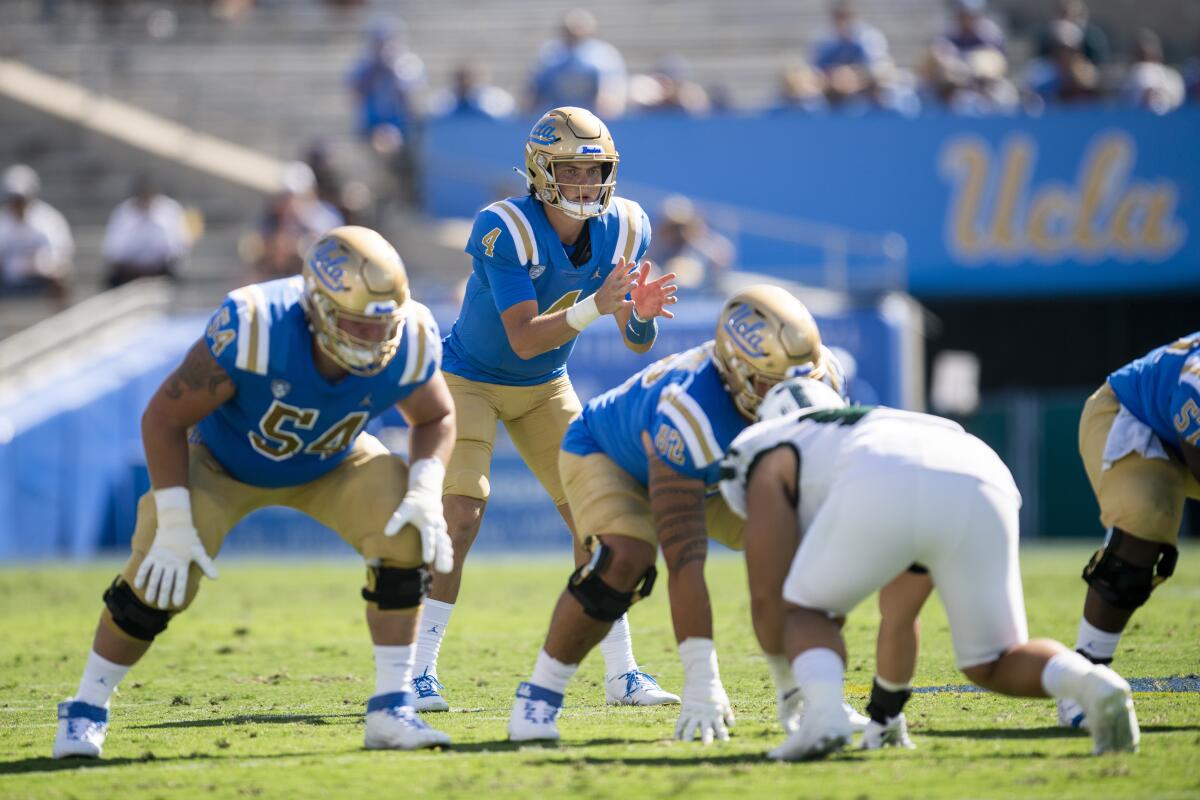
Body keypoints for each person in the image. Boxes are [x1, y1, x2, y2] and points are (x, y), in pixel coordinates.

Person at [53, 226, 458, 758]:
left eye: (382, 324)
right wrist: (175, 517)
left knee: (405, 527)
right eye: (356, 324)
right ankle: (85, 707)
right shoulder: (256, 325)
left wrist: (427, 488)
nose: (371, 338)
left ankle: (390, 708)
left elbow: (436, 414)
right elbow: (162, 418)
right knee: (162, 571)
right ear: (318, 308)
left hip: (333, 462)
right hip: (224, 463)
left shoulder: (411, 335)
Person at [411, 106, 679, 713]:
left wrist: (634, 311)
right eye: (572, 172)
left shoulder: (627, 225)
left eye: (596, 172)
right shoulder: (505, 226)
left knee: (602, 520)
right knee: (461, 514)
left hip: (544, 387)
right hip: (470, 378)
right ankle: (416, 670)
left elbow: (638, 338)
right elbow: (523, 336)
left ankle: (622, 674)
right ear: (541, 171)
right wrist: (599, 306)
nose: (587, 185)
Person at [719, 377, 1140, 760]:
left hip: (879, 469)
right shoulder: (881, 421)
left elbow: (767, 595)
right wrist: (885, 715)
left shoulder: (766, 443)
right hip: (980, 468)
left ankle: (825, 718)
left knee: (805, 612)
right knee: (994, 659)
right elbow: (900, 615)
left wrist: (791, 681)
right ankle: (1093, 683)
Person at [506, 286, 857, 744]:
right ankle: (539, 696)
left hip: (717, 467)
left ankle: (811, 694)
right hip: (609, 454)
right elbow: (685, 562)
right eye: (771, 384)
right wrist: (702, 682)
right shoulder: (690, 408)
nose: (788, 396)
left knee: (804, 548)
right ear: (735, 371)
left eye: (799, 381)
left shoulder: (824, 377)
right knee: (626, 560)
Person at [1058, 334, 1200, 729]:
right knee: (1145, 522)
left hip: (1178, 429)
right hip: (1130, 416)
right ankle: (1085, 678)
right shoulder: (1198, 378)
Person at [529, 9, 627, 118]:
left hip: (592, 120)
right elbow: (534, 92)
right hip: (558, 119)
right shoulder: (551, 55)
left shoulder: (603, 56)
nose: (574, 33)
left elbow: (610, 96)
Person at [102, 174, 193, 287]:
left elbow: (178, 246)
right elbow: (113, 250)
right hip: (130, 272)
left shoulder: (170, 210)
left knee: (178, 273)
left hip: (162, 269)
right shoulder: (123, 212)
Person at [0, 163, 73, 301]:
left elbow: (60, 254)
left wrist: (38, 264)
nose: (17, 204)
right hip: (8, 279)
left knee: (62, 276)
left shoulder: (48, 219)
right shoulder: (2, 221)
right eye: (14, 199)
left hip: (40, 277)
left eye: (20, 199)